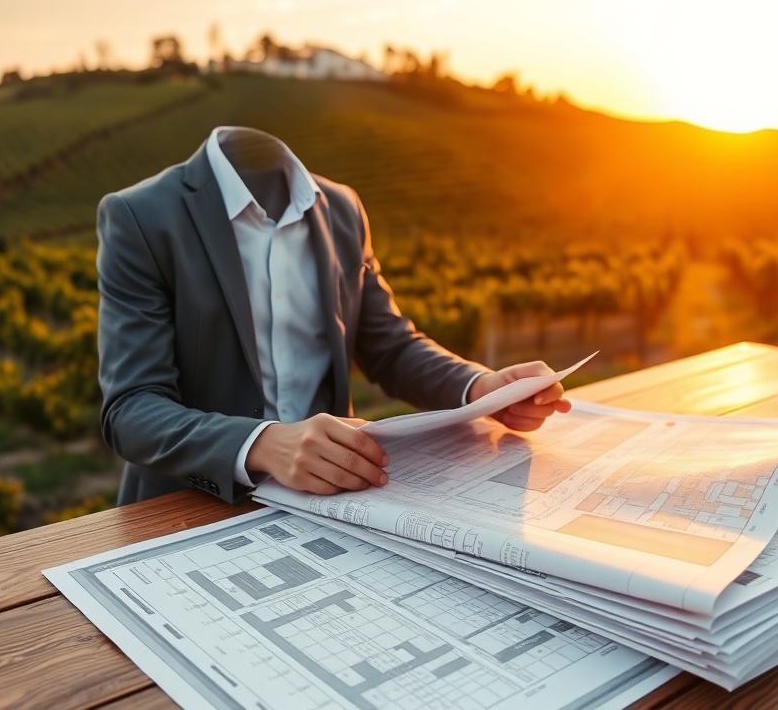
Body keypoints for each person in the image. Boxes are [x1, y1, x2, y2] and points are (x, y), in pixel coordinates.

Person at [97, 126, 571, 505]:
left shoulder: (341, 207)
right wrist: (263, 443)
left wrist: (479, 388)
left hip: (333, 498)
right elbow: (132, 408)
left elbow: (390, 346)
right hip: (187, 507)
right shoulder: (140, 216)